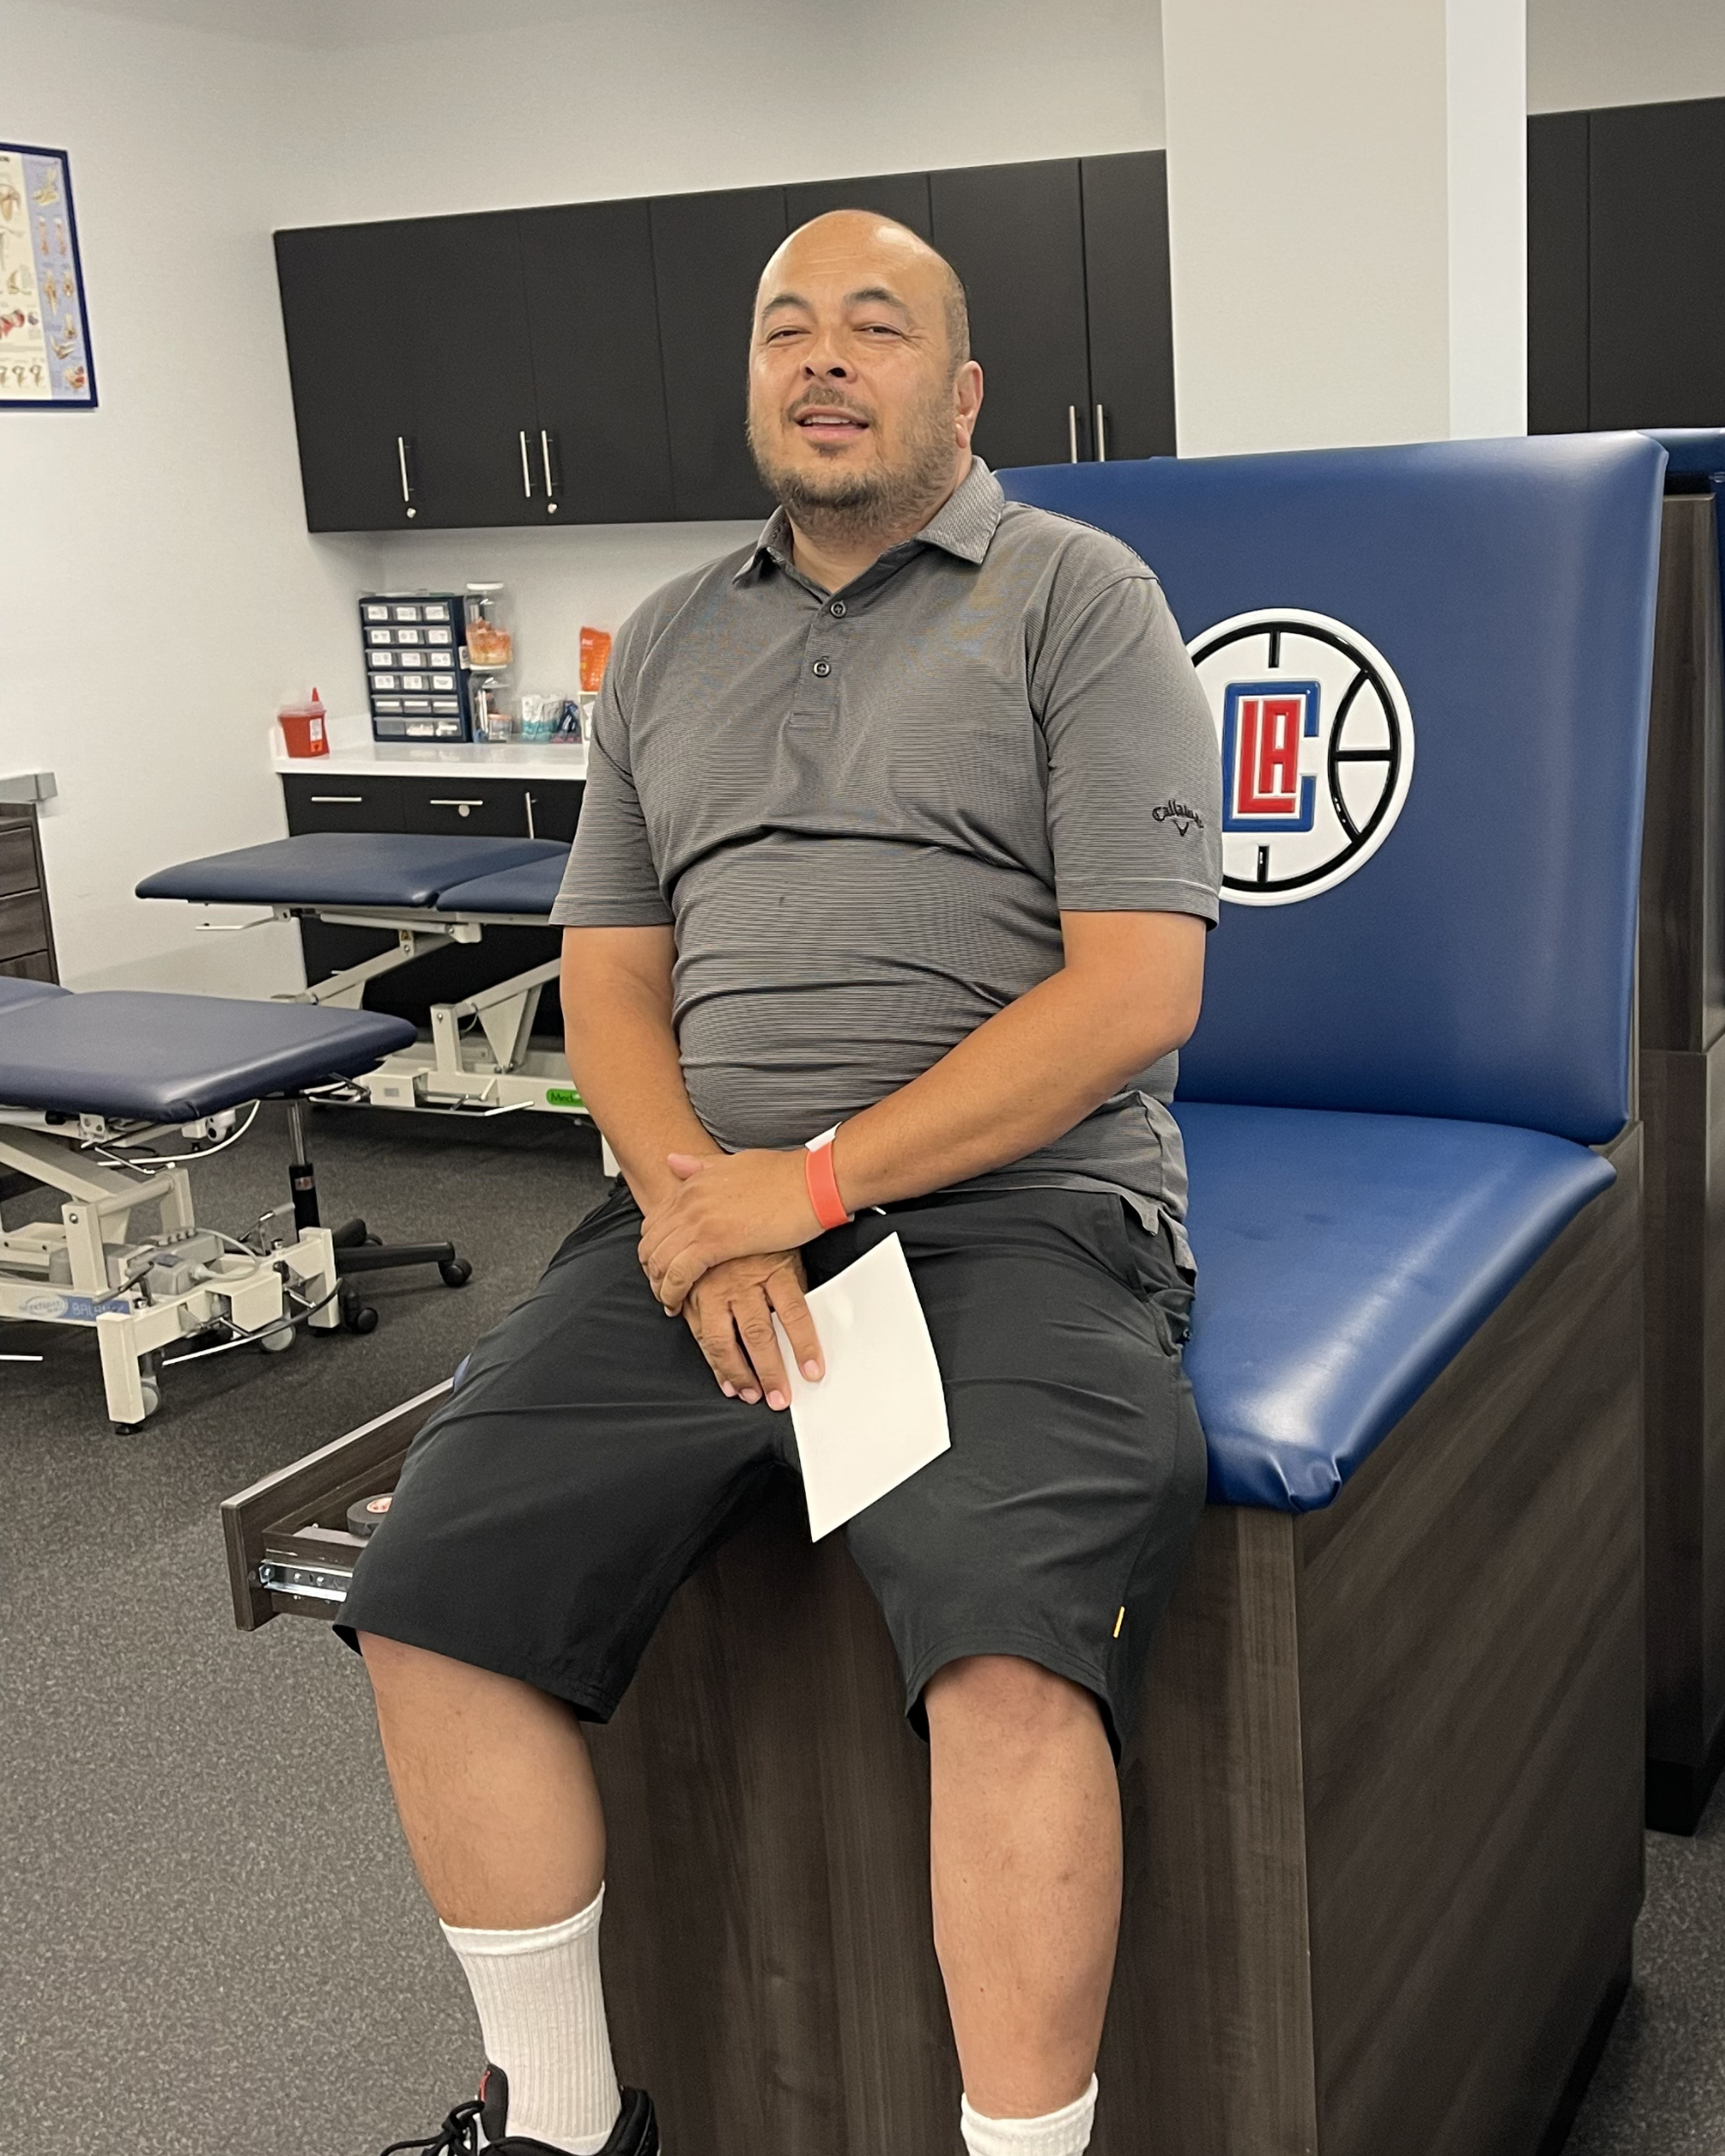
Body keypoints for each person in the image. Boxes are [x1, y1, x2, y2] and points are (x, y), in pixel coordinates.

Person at [348, 210, 1222, 2156]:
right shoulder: (668, 638)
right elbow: (611, 975)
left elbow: (1135, 991)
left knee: (1005, 1643)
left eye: (876, 327)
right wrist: (695, 1203)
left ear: (962, 390)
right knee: (428, 1586)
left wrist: (805, 1188)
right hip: (703, 1208)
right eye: (785, 329)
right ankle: (563, 2122)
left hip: (1018, 1210)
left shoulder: (1081, 598)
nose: (823, 358)